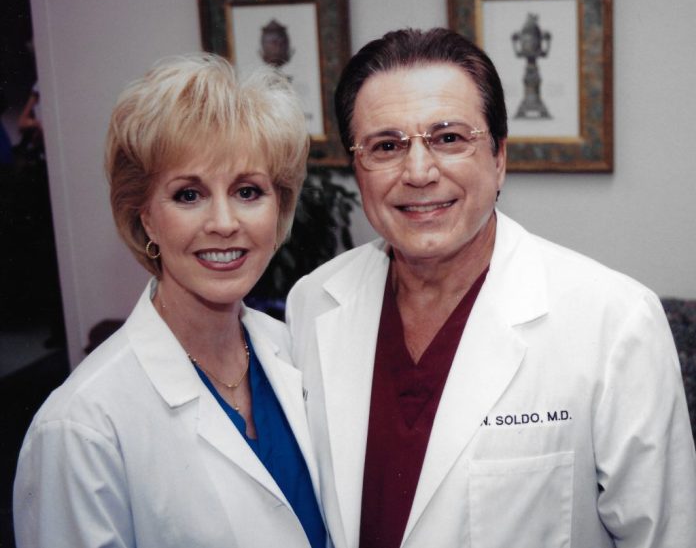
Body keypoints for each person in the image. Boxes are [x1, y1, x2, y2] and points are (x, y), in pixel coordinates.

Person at [286, 28, 696, 548]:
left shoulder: (616, 322)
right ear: (356, 169)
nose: (418, 172)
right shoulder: (312, 302)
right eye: (386, 146)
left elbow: (665, 535)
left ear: (499, 157)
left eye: (449, 139)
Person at [14, 53, 327, 548]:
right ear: (146, 219)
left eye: (248, 191)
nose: (224, 223)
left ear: (279, 209)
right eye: (188, 195)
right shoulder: (80, 427)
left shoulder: (295, 351)